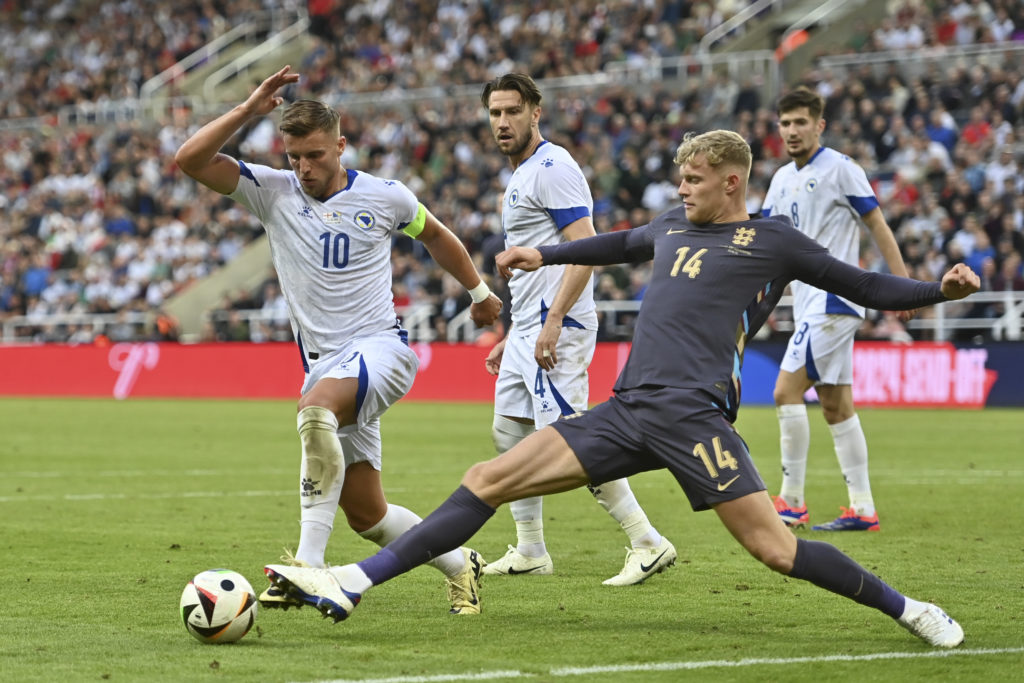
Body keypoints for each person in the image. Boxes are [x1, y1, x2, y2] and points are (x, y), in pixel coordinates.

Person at [264, 129, 975, 648]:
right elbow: (613, 243)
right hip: (631, 407)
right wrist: (543, 250)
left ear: (732, 181)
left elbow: (864, 284)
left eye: (694, 180)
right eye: (680, 180)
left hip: (694, 416)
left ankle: (910, 608)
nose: (681, 190)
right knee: (489, 476)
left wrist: (933, 290)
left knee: (775, 549)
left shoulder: (772, 240)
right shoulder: (669, 226)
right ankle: (352, 582)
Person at [175, 66, 502, 615]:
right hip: (327, 364)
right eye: (294, 155)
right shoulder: (273, 193)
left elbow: (437, 236)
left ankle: (307, 567)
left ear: (341, 146)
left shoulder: (385, 196)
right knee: (367, 516)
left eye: (316, 155)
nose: (303, 167)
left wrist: (479, 292)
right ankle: (459, 563)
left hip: (382, 351)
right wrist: (248, 111)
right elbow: (189, 160)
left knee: (315, 410)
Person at [478, 73, 676, 585]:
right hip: (529, 327)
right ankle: (530, 550)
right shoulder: (521, 173)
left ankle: (648, 541)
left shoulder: (552, 167)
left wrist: (552, 321)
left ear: (535, 113)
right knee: (509, 432)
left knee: (573, 442)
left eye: (512, 112)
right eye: (495, 113)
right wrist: (515, 333)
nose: (503, 122)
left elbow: (585, 248)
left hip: (555, 327)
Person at [761, 87, 913, 531]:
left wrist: (901, 288)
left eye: (800, 122)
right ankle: (862, 509)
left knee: (785, 392)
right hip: (807, 301)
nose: (791, 131)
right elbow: (770, 244)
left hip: (833, 300)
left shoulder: (842, 169)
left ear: (819, 125)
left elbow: (877, 224)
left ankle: (791, 502)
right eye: (785, 123)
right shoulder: (780, 179)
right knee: (835, 405)